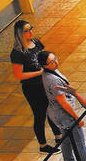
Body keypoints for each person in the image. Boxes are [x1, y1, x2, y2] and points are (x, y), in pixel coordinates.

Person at [10, 20, 57, 154]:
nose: (31, 32)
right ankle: (43, 145)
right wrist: (39, 72)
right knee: (40, 114)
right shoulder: (17, 53)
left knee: (51, 109)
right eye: (27, 30)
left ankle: (58, 135)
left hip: (44, 83)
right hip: (32, 88)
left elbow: (43, 57)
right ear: (20, 33)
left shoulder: (36, 42)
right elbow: (19, 75)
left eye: (31, 28)